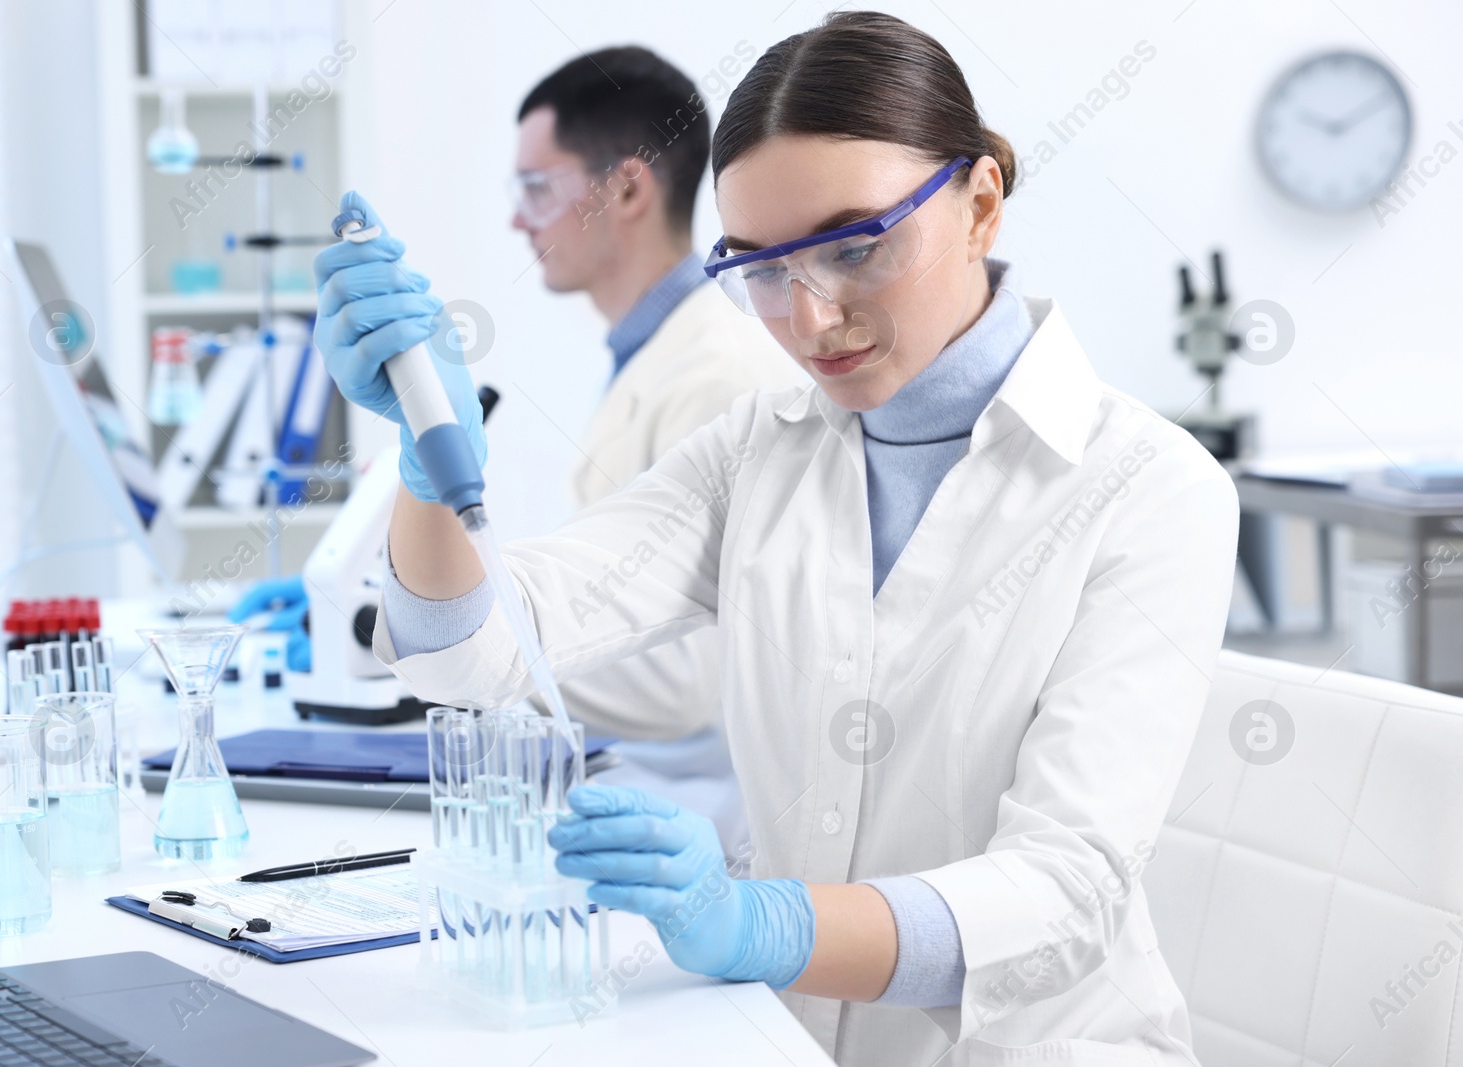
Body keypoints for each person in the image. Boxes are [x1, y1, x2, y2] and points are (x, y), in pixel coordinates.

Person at [314, 11, 1238, 1065]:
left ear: (980, 202)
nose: (811, 317)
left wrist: (765, 922)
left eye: (855, 247)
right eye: (761, 269)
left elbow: (1060, 887)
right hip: (770, 1035)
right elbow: (464, 653)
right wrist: (428, 464)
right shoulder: (759, 449)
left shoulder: (1148, 487)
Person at [233, 47, 797, 852]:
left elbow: (681, 680)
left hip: (683, 811)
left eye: (537, 187)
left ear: (628, 189)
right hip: (623, 782)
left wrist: (394, 629)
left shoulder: (722, 372)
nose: (516, 218)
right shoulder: (655, 354)